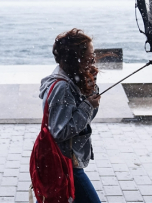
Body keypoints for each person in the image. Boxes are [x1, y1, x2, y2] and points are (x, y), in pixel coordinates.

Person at [39, 28, 101, 203]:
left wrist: (90, 89)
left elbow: (85, 120)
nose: (93, 59)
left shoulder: (70, 79)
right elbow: (60, 131)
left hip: (63, 160)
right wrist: (88, 105)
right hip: (65, 161)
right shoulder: (63, 87)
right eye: (90, 56)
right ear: (76, 58)